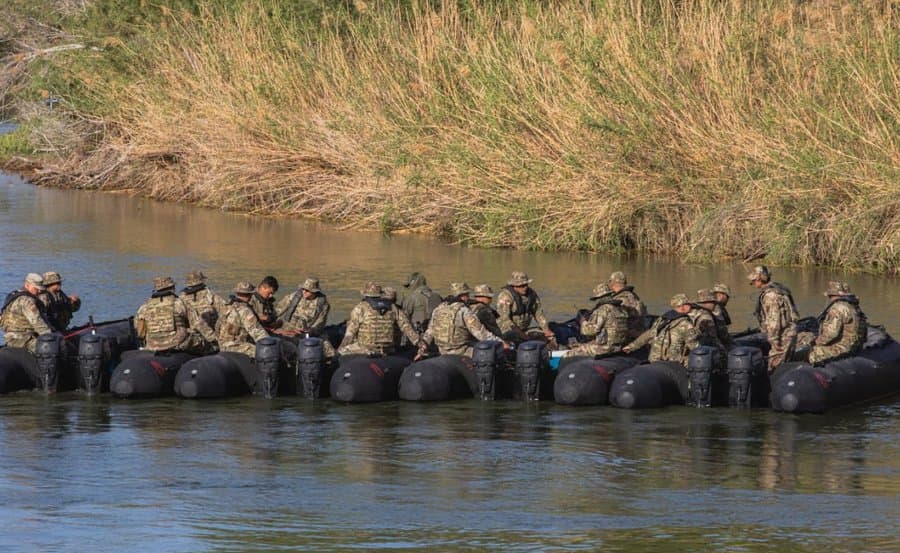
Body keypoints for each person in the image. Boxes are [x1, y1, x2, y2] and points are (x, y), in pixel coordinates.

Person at [416, 282, 506, 359]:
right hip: (462, 351)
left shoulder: (438, 309)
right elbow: (481, 334)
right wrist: (502, 343)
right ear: (463, 296)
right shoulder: (464, 311)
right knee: (491, 354)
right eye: (467, 295)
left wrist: (421, 351)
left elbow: (429, 332)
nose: (468, 298)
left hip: (441, 350)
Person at [134, 276, 212, 354]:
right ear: (172, 288)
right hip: (177, 344)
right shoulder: (179, 303)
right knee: (201, 340)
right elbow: (198, 323)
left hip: (152, 345)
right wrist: (212, 338)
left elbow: (138, 328)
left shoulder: (145, 306)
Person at [339, 282, 420, 356]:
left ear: (365, 294)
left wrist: (339, 350)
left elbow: (349, 335)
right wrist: (419, 344)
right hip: (388, 349)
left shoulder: (360, 308)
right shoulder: (393, 307)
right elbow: (407, 327)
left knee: (344, 350)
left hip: (367, 349)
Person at [623, 294, 700, 366]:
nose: (691, 307)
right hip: (674, 362)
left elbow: (649, 334)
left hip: (654, 360)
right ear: (683, 307)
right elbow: (695, 347)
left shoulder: (662, 319)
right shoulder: (686, 324)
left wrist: (631, 346)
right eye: (689, 305)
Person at [748, 265, 799, 372]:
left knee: (774, 368)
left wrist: (773, 340)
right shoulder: (778, 289)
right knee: (784, 366)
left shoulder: (770, 296)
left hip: (782, 337)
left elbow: (774, 322)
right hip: (788, 333)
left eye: (754, 280)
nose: (753, 283)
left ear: (761, 278)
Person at [807, 281, 868, 365]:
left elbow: (831, 334)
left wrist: (813, 343)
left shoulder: (838, 308)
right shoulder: (854, 306)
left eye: (830, 296)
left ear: (833, 295)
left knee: (807, 352)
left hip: (842, 349)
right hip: (855, 348)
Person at [563, 283, 629, 358]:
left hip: (605, 349)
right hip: (619, 347)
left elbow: (590, 332)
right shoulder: (621, 309)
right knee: (581, 346)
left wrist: (583, 322)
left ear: (600, 297)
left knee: (568, 354)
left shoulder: (603, 310)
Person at [0, 273, 54, 352]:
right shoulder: (27, 301)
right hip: (23, 340)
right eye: (36, 288)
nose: (39, 291)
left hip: (10, 338)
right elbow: (39, 324)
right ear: (27, 285)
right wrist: (51, 337)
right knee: (54, 347)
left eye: (40, 288)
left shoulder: (13, 295)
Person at [217, 281, 273, 357]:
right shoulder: (245, 310)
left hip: (222, 346)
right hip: (235, 347)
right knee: (264, 352)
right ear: (250, 294)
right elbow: (257, 332)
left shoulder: (227, 306)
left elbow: (217, 327)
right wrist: (271, 345)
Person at [495, 271, 553, 342]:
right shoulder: (505, 297)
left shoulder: (531, 294)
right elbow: (504, 320)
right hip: (507, 330)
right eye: (521, 286)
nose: (525, 288)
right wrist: (522, 335)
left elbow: (538, 313)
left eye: (526, 285)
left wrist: (546, 329)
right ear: (514, 286)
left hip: (524, 329)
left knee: (547, 337)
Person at [180, 270, 225, 341]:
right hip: (211, 335)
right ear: (202, 280)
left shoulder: (181, 298)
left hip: (192, 337)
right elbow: (225, 312)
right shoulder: (210, 295)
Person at [608, 271, 648, 339]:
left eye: (610, 282)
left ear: (613, 283)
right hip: (640, 332)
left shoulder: (618, 300)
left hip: (627, 335)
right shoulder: (634, 296)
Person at [691, 289, 728, 358]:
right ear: (708, 302)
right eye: (713, 302)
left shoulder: (692, 311)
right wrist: (725, 355)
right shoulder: (706, 316)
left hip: (694, 350)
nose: (715, 305)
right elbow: (713, 339)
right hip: (703, 351)